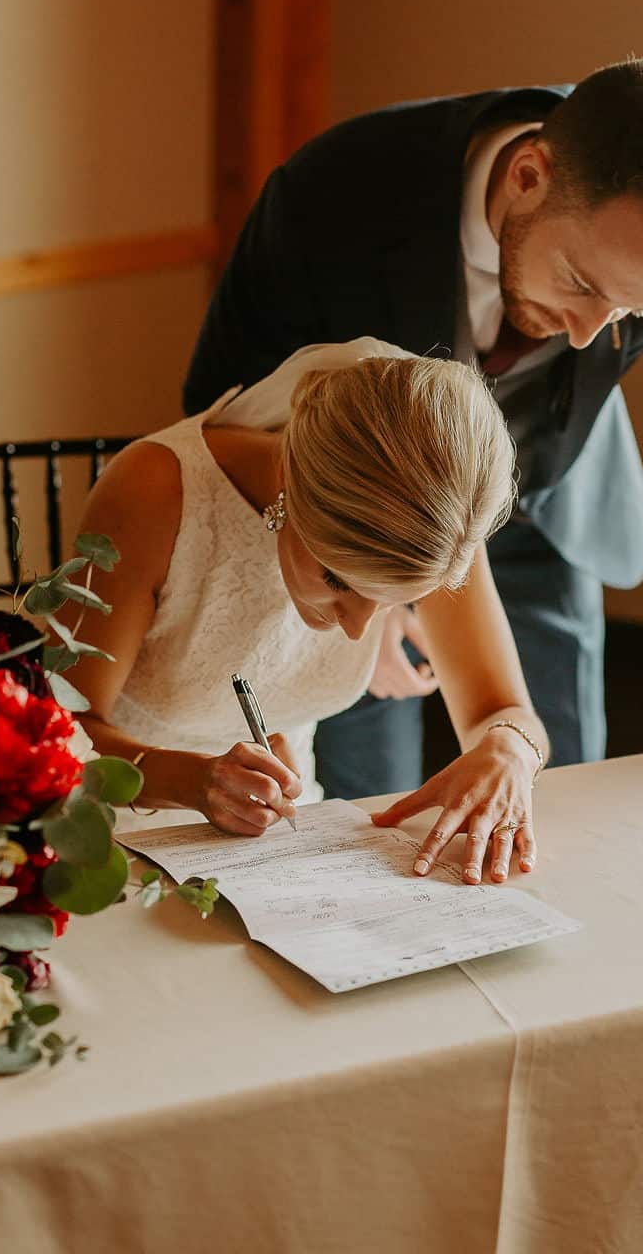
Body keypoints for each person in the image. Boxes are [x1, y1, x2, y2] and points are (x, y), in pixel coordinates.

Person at [184, 53, 643, 801]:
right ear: (528, 174)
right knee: (362, 804)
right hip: (361, 537)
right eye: (582, 284)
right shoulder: (334, 192)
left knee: (557, 789)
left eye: (629, 313)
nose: (585, 336)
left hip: (549, 515)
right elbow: (226, 409)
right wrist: (339, 580)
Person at [69, 342, 549, 884]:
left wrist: (511, 749)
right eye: (337, 581)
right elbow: (56, 731)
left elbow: (503, 708)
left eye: (392, 603)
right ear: (292, 491)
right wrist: (188, 781)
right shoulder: (155, 491)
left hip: (281, 855)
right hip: (107, 851)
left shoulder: (430, 517)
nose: (356, 628)